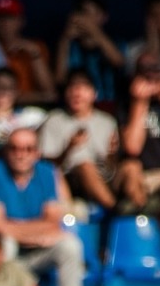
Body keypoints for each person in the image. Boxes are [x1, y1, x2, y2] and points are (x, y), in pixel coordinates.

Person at [0, 129, 84, 286]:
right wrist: (34, 233)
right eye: (15, 148)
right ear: (7, 151)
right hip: (8, 251)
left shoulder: (47, 172)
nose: (21, 154)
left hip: (39, 251)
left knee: (70, 245)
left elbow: (53, 223)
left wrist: (13, 227)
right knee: (4, 243)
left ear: (36, 152)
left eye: (28, 149)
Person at [114, 52, 160, 215]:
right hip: (142, 175)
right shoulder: (127, 102)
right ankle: (141, 218)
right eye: (145, 74)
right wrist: (139, 104)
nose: (151, 81)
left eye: (157, 74)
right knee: (130, 168)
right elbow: (132, 148)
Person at [38, 70, 120, 211]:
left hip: (104, 177)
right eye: (72, 88)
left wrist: (113, 154)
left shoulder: (107, 122)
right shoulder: (54, 120)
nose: (77, 94)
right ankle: (115, 210)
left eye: (83, 88)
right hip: (68, 179)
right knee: (85, 165)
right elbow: (46, 164)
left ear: (94, 94)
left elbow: (111, 166)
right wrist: (69, 148)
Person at [54, 0, 124, 109]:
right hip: (76, 105)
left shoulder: (115, 42)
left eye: (91, 13)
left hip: (109, 103)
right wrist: (65, 39)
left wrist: (94, 31)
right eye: (83, 13)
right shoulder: (70, 44)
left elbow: (118, 62)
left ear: (104, 17)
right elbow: (60, 79)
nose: (86, 18)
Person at [0, 0, 55, 106]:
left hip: (31, 109)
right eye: (0, 18)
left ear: (21, 21)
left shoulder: (35, 47)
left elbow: (50, 93)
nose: (5, 23)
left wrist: (34, 54)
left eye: (10, 18)